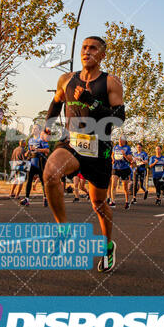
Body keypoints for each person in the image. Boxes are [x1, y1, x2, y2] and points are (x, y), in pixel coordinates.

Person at [43, 36, 125, 273]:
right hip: (73, 143)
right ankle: (63, 230)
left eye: (93, 48)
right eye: (84, 47)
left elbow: (119, 118)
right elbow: (57, 100)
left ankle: (108, 246)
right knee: (50, 174)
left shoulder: (111, 82)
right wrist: (48, 122)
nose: (86, 52)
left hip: (99, 150)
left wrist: (91, 102)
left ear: (102, 55)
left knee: (98, 203)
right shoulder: (66, 79)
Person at [20, 126, 49, 207]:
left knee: (43, 181)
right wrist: (27, 152)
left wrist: (37, 150)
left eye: (35, 128)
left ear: (39, 130)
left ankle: (45, 198)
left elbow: (47, 151)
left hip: (40, 162)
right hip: (32, 162)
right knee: (29, 180)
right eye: (33, 128)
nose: (33, 129)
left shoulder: (42, 139)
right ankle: (27, 199)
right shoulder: (30, 140)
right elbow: (30, 149)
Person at [110, 136, 134, 209]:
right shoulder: (115, 147)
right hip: (116, 168)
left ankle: (127, 202)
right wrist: (113, 159)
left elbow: (130, 159)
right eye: (119, 139)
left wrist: (124, 155)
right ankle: (113, 202)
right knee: (113, 185)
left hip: (124, 169)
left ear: (124, 141)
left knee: (125, 188)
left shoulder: (127, 148)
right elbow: (112, 155)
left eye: (121, 140)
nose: (120, 141)